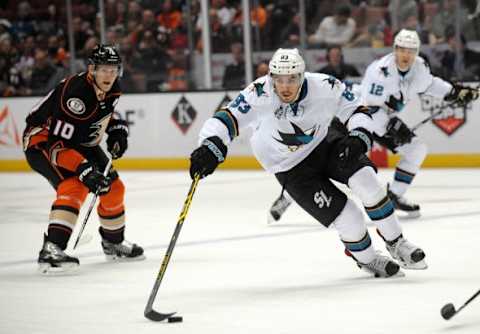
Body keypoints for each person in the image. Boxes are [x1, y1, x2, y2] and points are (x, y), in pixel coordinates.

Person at [189, 48, 428, 278]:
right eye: (279, 79)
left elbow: (355, 108)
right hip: (289, 167)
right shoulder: (259, 93)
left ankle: (397, 242)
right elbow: (227, 119)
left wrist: (359, 134)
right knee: (350, 218)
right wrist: (209, 146)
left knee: (366, 181)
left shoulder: (323, 85)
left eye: (291, 79)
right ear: (271, 77)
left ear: (302, 76)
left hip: (324, 142)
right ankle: (366, 258)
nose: (284, 86)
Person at [269, 30, 479, 220]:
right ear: (395, 49)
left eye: (411, 50)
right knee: (324, 159)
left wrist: (454, 92)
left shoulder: (419, 67)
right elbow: (367, 108)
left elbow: (431, 84)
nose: (406, 55)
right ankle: (289, 195)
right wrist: (392, 128)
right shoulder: (380, 71)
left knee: (416, 149)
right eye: (402, 49)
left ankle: (395, 194)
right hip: (353, 117)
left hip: (382, 119)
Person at [23, 44, 145, 274]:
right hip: (42, 142)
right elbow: (57, 146)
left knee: (115, 188)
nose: (110, 75)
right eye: (104, 69)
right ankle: (52, 249)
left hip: (78, 142)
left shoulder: (113, 87)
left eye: (114, 69)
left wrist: (117, 129)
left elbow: (101, 114)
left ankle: (113, 243)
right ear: (92, 69)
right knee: (74, 185)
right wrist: (84, 169)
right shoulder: (75, 96)